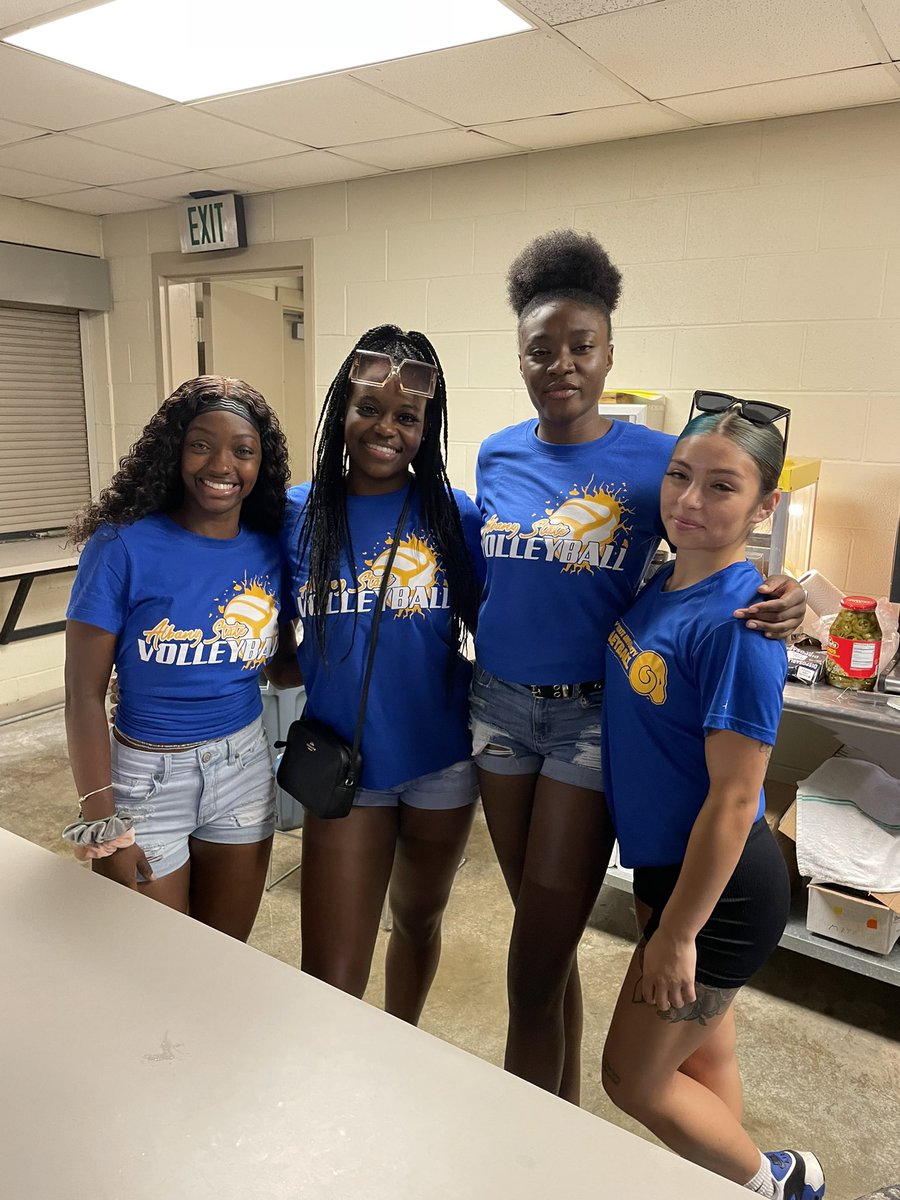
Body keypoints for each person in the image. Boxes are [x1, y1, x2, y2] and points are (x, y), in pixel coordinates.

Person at [470, 229, 806, 1101]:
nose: (562, 365)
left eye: (582, 347)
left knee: (535, 953)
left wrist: (796, 595)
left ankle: (525, 1133)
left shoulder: (658, 461)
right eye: (541, 350)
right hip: (497, 712)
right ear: (520, 359)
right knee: (542, 936)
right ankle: (564, 1112)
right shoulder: (497, 453)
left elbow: (723, 541)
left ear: (610, 352)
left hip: (588, 721)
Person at [599, 404, 824, 1200]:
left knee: (630, 1078)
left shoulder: (743, 624)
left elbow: (735, 799)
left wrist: (680, 933)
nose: (689, 500)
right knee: (698, 1056)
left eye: (722, 486)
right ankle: (724, 1184)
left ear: (766, 506)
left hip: (720, 891)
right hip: (671, 867)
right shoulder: (667, 580)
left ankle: (777, 1184)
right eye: (680, 476)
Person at [280, 325, 483, 1024]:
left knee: (419, 923)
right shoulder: (297, 512)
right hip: (346, 768)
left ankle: (403, 1048)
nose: (385, 428)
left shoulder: (452, 517)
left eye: (407, 415)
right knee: (331, 980)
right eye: (369, 408)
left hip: (443, 766)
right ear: (342, 409)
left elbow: (506, 624)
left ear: (428, 428)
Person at [64, 376, 297, 941]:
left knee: (222, 955)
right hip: (144, 782)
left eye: (243, 450)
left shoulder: (269, 549)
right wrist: (103, 820)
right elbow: (82, 696)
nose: (221, 464)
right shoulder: (121, 546)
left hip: (243, 769)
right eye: (201, 445)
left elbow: (282, 666)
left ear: (259, 465)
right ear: (174, 452)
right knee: (153, 963)